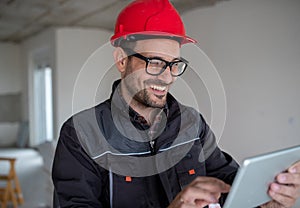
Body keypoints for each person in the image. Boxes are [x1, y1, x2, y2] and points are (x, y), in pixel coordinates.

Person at [52, 0, 300, 207]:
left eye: (173, 64)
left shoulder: (192, 123)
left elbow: (228, 185)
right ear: (121, 60)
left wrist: (266, 199)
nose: (167, 76)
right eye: (155, 62)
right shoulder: (81, 133)